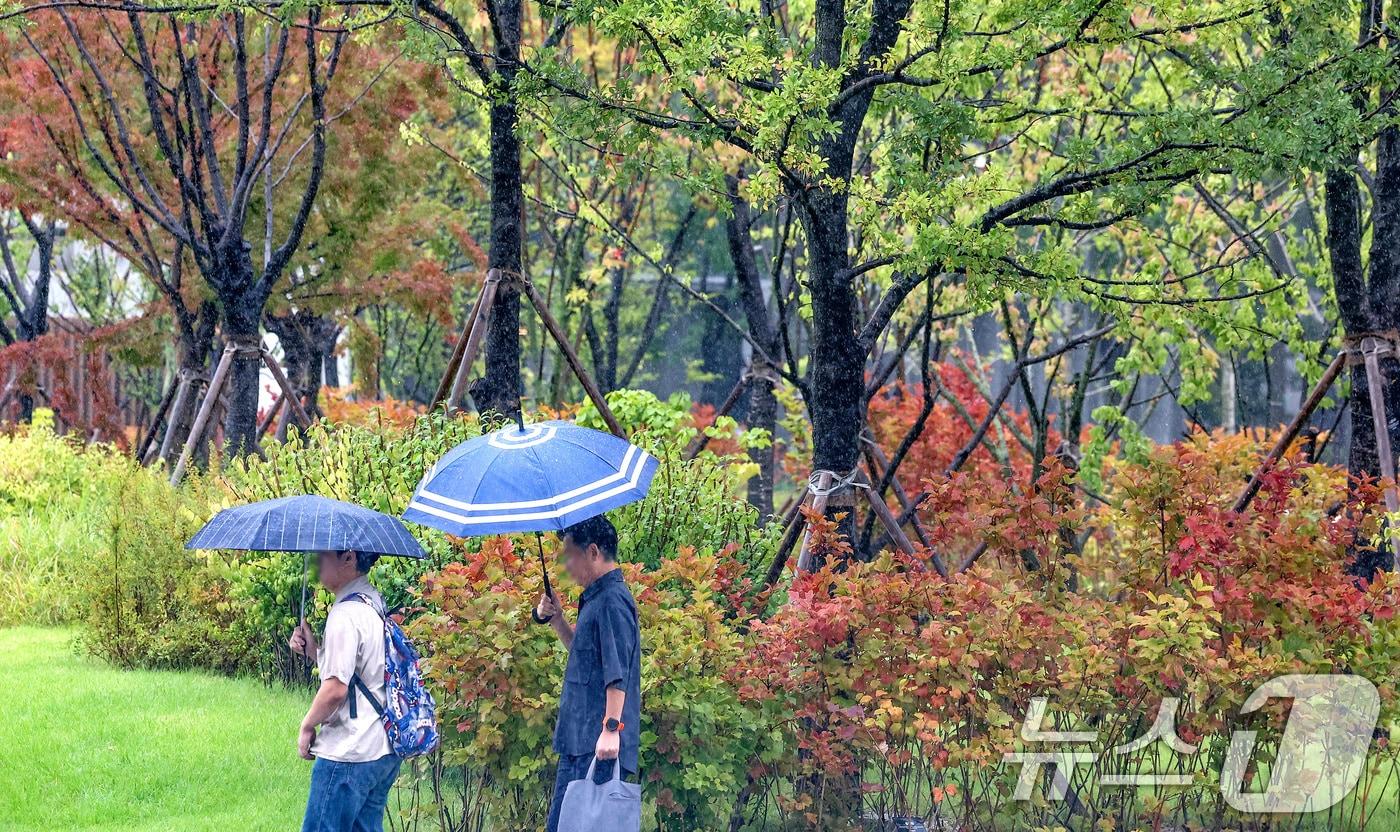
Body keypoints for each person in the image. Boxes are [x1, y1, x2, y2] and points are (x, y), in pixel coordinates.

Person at [534, 516, 642, 832]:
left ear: (593, 552)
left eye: (570, 555)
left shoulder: (612, 601)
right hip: (579, 738)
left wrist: (611, 729)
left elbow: (616, 670)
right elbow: (585, 658)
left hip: (596, 742)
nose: (566, 565)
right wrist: (556, 620)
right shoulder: (596, 598)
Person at [288, 549, 401, 832]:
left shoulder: (345, 615)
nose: (315, 563)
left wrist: (307, 726)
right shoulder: (372, 602)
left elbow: (336, 689)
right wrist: (314, 651)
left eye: (322, 556)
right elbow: (362, 673)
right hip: (382, 748)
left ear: (348, 558)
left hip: (350, 752)